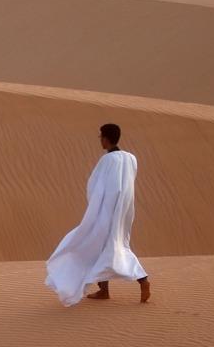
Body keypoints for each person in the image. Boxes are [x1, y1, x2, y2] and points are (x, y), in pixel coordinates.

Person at [45, 123, 151, 305]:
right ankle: (110, 288)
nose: (100, 140)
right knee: (114, 246)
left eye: (101, 137)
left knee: (98, 245)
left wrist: (95, 209)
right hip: (123, 211)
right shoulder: (131, 158)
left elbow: (96, 186)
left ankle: (139, 281)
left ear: (106, 138)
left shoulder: (107, 160)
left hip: (106, 211)